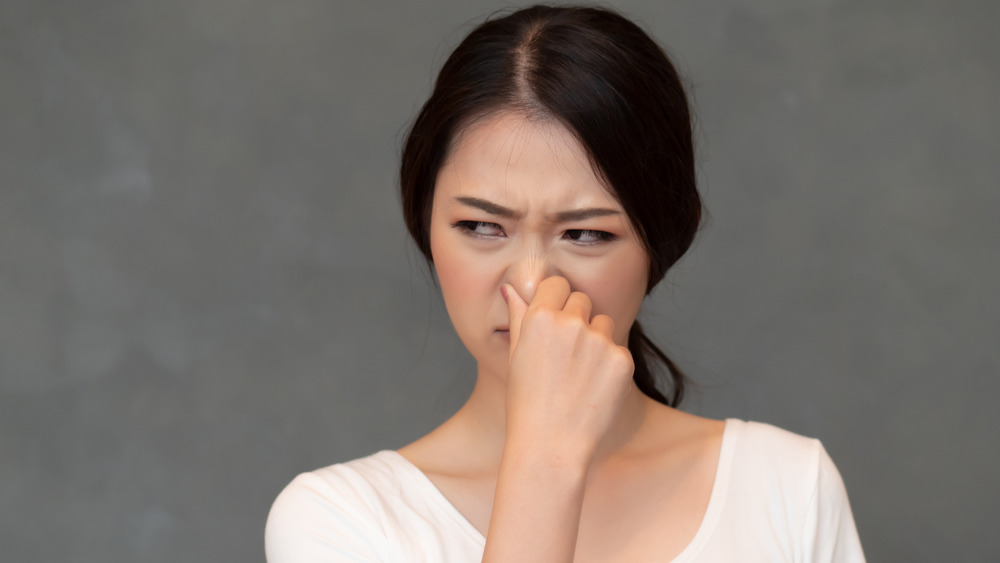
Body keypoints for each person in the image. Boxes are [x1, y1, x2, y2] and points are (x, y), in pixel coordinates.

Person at [265, 5, 866, 562]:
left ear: (661, 240)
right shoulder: (340, 520)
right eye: (480, 226)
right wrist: (545, 461)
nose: (530, 283)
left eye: (584, 235)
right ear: (425, 224)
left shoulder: (790, 487)